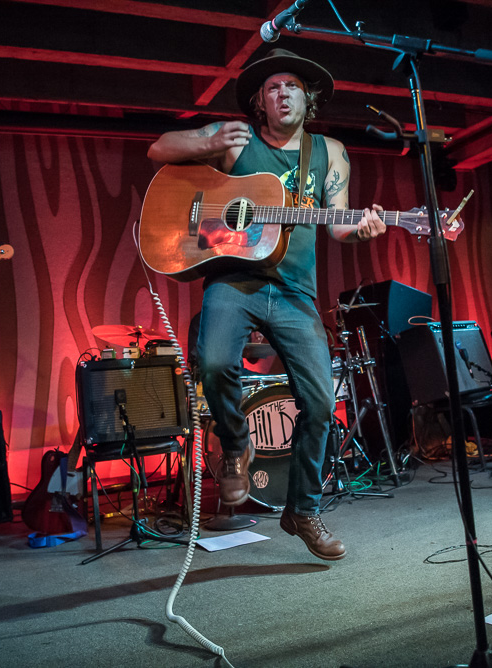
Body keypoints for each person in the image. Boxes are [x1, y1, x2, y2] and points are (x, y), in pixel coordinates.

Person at [147, 49, 386, 560]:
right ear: (260, 100)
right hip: (233, 280)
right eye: (273, 87)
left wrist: (362, 230)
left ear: (308, 97)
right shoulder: (236, 140)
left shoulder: (329, 152)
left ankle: (302, 509)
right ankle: (235, 445)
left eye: (292, 86)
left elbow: (339, 222)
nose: (283, 93)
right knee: (212, 362)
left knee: (321, 401)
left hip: (296, 290)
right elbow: (159, 149)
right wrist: (209, 141)